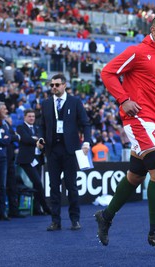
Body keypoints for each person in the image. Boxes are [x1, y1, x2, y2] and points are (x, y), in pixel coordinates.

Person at [95, 15, 155, 251]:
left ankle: (106, 216)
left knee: (135, 176)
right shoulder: (137, 52)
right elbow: (107, 72)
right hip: (137, 118)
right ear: (153, 30)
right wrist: (123, 100)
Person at [40, 73, 92, 231]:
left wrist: (87, 142)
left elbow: (86, 123)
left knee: (71, 186)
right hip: (52, 150)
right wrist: (41, 139)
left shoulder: (75, 102)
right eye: (51, 85)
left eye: (57, 84)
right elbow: (42, 125)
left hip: (70, 150)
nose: (54, 87)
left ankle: (75, 219)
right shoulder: (46, 103)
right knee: (53, 187)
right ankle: (55, 221)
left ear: (64, 85)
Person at [16, 109, 51, 216]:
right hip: (27, 160)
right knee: (38, 183)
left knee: (37, 184)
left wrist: (38, 140)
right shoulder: (21, 127)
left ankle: (37, 209)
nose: (32, 118)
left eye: (33, 116)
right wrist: (37, 141)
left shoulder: (37, 128)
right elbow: (26, 139)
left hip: (38, 159)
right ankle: (45, 207)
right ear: (25, 117)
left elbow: (43, 140)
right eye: (29, 116)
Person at [0, 102, 25, 218]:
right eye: (4, 108)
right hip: (1, 158)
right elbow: (9, 137)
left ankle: (13, 210)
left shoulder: (6, 123)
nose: (6, 110)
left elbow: (12, 136)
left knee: (12, 185)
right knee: (0, 185)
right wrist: (13, 137)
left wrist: (13, 137)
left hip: (10, 158)